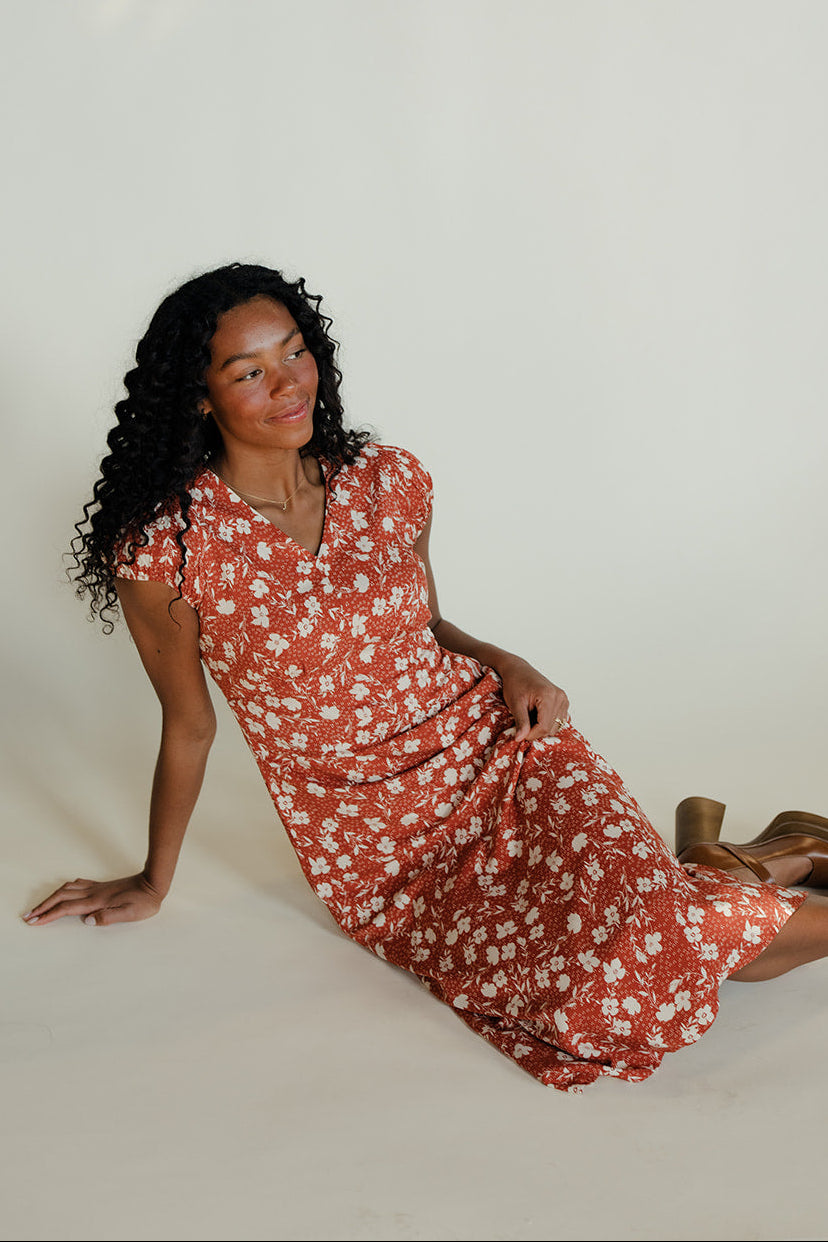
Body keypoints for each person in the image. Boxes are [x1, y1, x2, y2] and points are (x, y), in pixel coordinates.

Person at [22, 262, 828, 1092]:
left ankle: (741, 863)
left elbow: (428, 623)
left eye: (294, 353)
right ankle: (766, 858)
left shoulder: (388, 480)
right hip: (386, 847)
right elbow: (190, 724)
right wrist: (154, 880)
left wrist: (512, 664)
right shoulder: (169, 547)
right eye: (248, 372)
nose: (288, 384)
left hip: (502, 753)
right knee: (596, 991)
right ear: (201, 397)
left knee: (661, 927)